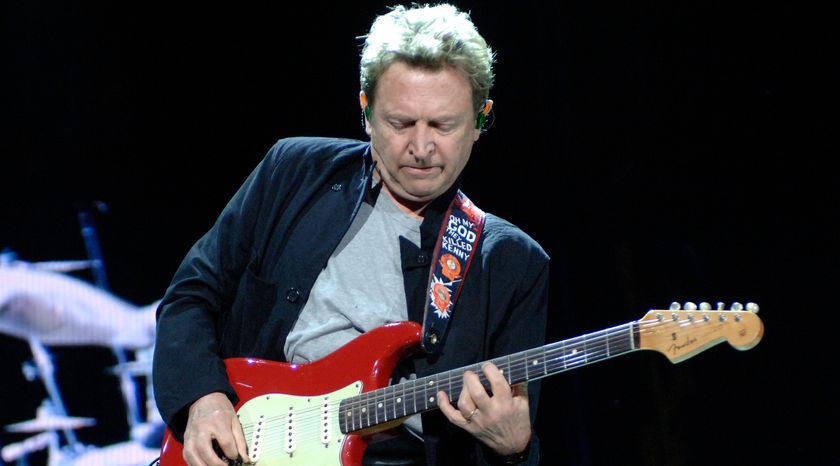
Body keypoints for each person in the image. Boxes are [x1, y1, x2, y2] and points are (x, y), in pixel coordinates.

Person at [153, 4, 549, 466]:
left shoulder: (510, 263)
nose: (421, 149)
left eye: (443, 125)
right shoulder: (294, 172)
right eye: (400, 123)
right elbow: (191, 295)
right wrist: (203, 399)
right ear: (365, 111)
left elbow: (508, 438)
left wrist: (514, 449)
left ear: (482, 119)